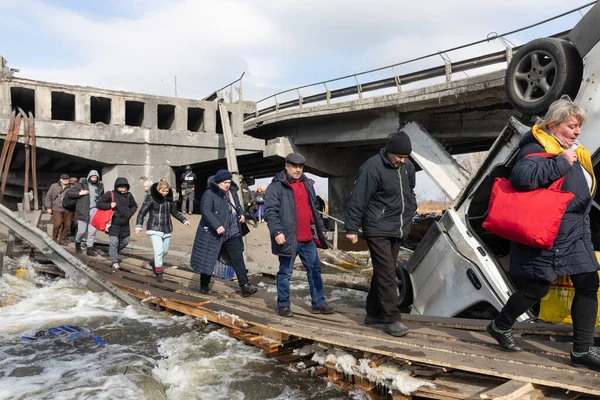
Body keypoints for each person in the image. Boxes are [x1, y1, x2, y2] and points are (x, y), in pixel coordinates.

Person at [485, 97, 600, 371]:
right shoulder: (535, 146)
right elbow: (522, 178)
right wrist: (561, 163)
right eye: (572, 126)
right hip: (548, 233)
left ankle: (582, 349)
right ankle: (500, 326)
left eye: (579, 127)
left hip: (575, 231)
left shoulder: (572, 149)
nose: (577, 132)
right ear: (553, 125)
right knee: (537, 287)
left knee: (588, 283)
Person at [344, 130, 417, 337]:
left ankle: (373, 312)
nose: (402, 161)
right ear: (389, 152)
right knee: (387, 273)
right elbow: (358, 198)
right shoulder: (373, 167)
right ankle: (391, 318)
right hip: (377, 227)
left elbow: (408, 192)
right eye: (399, 157)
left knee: (384, 270)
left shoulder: (407, 167)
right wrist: (351, 227)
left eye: (405, 157)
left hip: (397, 226)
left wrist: (412, 208)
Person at [265, 153, 335, 317]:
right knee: (285, 273)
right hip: (288, 238)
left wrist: (320, 228)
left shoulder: (307, 184)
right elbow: (270, 212)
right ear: (286, 166)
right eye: (294, 166)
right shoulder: (275, 187)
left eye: (300, 167)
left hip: (308, 239)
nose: (298, 170)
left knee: (315, 270)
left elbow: (313, 210)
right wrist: (277, 231)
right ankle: (283, 305)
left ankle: (318, 303)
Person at [190, 169, 258, 297]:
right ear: (218, 182)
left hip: (233, 230)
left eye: (228, 182)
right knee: (209, 258)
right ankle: (204, 284)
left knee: (238, 257)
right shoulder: (209, 193)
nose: (227, 185)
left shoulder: (232, 192)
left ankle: (245, 286)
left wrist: (242, 214)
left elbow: (237, 206)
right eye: (224, 182)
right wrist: (216, 225)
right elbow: (206, 211)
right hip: (215, 232)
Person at [136, 180, 191, 282]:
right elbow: (142, 212)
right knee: (159, 251)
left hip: (166, 228)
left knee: (164, 251)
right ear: (158, 189)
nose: (165, 193)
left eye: (166, 191)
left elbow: (174, 212)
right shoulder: (151, 198)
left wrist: (184, 220)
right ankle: (159, 272)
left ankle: (153, 262)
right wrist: (138, 226)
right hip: (154, 227)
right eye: (163, 191)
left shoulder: (170, 200)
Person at [97, 177, 138, 270]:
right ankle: (114, 261)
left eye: (125, 188)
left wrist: (130, 213)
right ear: (116, 187)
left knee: (125, 241)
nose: (123, 189)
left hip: (125, 223)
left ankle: (112, 252)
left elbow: (134, 205)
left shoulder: (129, 195)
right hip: (113, 223)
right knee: (114, 242)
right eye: (121, 187)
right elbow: (99, 204)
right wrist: (109, 205)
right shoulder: (110, 194)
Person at [44, 173, 73, 245]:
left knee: (67, 225)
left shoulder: (71, 187)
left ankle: (62, 240)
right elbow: (48, 197)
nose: (65, 180)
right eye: (64, 179)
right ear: (60, 180)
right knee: (57, 224)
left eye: (67, 179)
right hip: (57, 208)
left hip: (68, 209)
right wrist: (48, 207)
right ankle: (54, 238)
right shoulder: (54, 186)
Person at [84, 170, 104, 257]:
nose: (94, 179)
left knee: (92, 229)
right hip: (84, 209)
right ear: (89, 177)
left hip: (95, 209)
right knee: (81, 230)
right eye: (92, 177)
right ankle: (78, 243)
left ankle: (89, 247)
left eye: (96, 177)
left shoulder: (99, 187)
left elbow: (102, 197)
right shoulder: (83, 185)